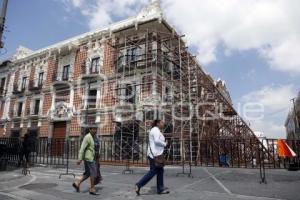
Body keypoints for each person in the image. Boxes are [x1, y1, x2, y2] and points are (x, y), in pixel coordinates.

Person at [135, 120, 170, 195]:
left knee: (160, 171)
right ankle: (139, 184)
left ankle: (160, 189)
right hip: (155, 154)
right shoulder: (155, 130)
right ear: (158, 123)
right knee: (153, 171)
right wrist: (165, 144)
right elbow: (157, 141)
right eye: (162, 122)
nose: (163, 124)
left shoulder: (156, 130)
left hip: (155, 154)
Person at [72, 128, 98, 195]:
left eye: (96, 129)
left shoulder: (93, 137)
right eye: (94, 129)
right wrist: (80, 158)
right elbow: (82, 148)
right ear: (90, 129)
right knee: (94, 172)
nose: (95, 130)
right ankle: (92, 188)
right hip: (89, 158)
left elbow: (94, 148)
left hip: (91, 158)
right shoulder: (87, 137)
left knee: (88, 173)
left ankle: (77, 183)